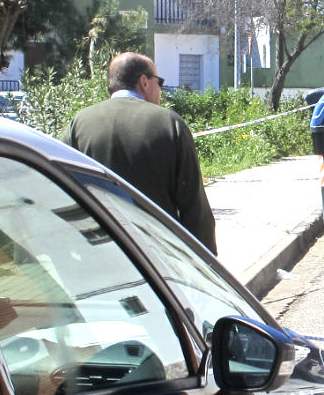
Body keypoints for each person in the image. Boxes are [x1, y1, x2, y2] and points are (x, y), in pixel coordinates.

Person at [66, 52, 217, 254]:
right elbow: (193, 204)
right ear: (144, 82)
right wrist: (206, 262)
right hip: (158, 253)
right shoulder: (168, 123)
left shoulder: (79, 122)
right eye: (159, 82)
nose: (160, 90)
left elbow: (62, 187)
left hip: (101, 249)